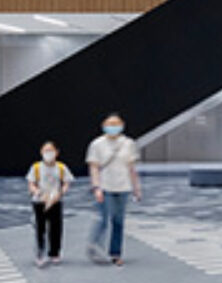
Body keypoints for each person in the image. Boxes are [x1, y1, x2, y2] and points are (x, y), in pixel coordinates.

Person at [85, 114, 142, 266]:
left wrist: (136, 189)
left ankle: (115, 253)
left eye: (116, 123)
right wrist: (96, 187)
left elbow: (131, 168)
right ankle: (95, 244)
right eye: (110, 123)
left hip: (123, 186)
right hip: (105, 186)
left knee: (118, 221)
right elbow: (94, 167)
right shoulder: (97, 144)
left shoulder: (128, 143)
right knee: (104, 218)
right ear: (103, 125)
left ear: (122, 125)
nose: (113, 126)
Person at [29, 141, 74, 268]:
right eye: (45, 151)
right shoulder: (36, 167)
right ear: (41, 153)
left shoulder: (61, 167)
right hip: (39, 202)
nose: (48, 154)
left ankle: (54, 253)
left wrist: (60, 194)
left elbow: (66, 182)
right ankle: (40, 253)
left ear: (56, 152)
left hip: (55, 201)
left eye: (51, 151)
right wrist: (38, 193)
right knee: (40, 228)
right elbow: (31, 183)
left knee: (56, 228)